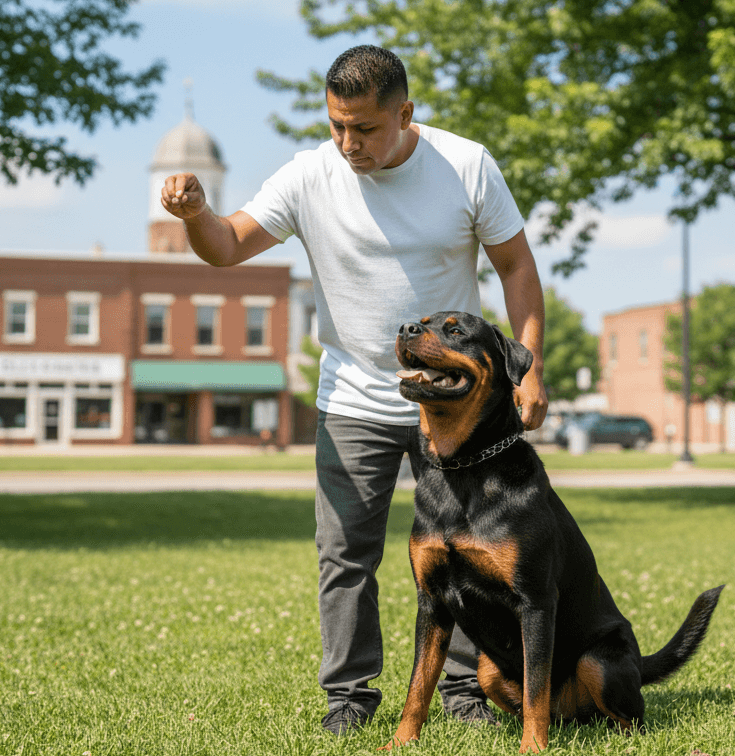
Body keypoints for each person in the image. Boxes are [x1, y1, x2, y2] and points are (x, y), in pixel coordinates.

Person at [160, 44, 547, 735]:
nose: (347, 143)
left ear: (404, 113)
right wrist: (195, 214)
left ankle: (463, 690)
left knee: (474, 550)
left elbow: (516, 265)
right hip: (353, 398)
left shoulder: (465, 166)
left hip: (456, 406)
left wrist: (532, 366)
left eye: (364, 128)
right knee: (344, 554)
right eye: (337, 125)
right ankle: (349, 697)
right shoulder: (310, 175)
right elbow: (226, 245)